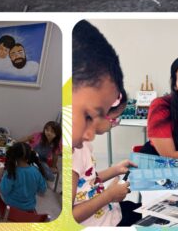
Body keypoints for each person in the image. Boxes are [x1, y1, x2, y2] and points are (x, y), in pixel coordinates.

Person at [71, 20, 141, 226]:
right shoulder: (74, 151)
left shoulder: (82, 144)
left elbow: (87, 184)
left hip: (112, 214)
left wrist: (114, 170)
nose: (90, 134)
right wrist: (109, 196)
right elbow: (71, 216)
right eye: (90, 115)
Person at [0, 142, 47, 213]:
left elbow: (3, 190)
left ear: (14, 157)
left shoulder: (11, 172)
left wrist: (1, 176)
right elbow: (43, 190)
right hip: (29, 207)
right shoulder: (36, 171)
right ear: (29, 156)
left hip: (11, 205)